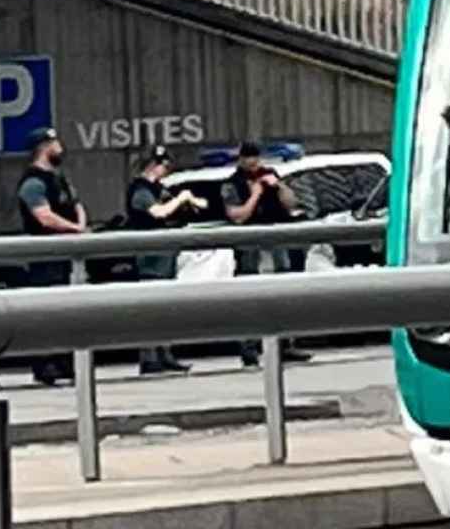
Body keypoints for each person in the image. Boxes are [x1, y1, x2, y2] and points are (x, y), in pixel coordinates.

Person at [222, 142, 313, 367]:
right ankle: (249, 349)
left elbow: (292, 204)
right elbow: (237, 216)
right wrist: (255, 194)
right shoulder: (232, 184)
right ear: (241, 160)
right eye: (248, 158)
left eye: (255, 157)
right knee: (249, 298)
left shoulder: (270, 175)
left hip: (277, 242)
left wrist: (279, 186)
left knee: (283, 295)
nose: (253, 162)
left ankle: (285, 345)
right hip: (249, 247)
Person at [15, 126, 86, 386]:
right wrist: (75, 229)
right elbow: (43, 216)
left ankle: (64, 362)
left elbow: (76, 204)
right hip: (44, 256)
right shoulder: (33, 182)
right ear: (44, 148)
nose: (60, 147)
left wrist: (80, 227)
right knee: (45, 312)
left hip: (65, 255)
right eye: (55, 142)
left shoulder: (59, 178)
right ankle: (45, 364)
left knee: (66, 311)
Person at [126, 145, 205, 375]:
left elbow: (195, 206)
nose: (167, 170)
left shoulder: (159, 188)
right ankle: (149, 358)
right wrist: (180, 199)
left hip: (165, 257)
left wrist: (189, 202)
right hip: (149, 259)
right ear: (153, 165)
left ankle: (166, 355)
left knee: (166, 310)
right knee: (150, 311)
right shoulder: (140, 190)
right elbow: (158, 213)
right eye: (164, 165)